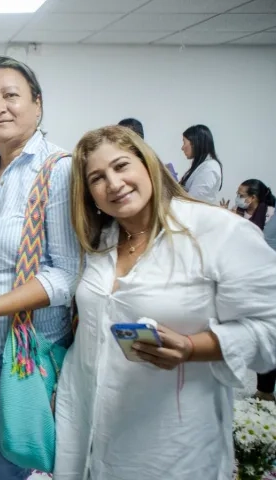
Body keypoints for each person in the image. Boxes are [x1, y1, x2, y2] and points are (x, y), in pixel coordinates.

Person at [55, 125, 276, 479]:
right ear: (89, 195)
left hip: (173, 446)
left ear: (149, 164)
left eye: (122, 165)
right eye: (97, 178)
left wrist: (193, 347)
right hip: (91, 433)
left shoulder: (217, 231)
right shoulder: (99, 243)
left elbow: (270, 330)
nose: (113, 183)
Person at [0, 55, 80, 479]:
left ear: (37, 105)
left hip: (20, 346)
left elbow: (65, 275)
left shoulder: (58, 170)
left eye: (10, 96)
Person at [223, 179, 276, 402]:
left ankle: (265, 390)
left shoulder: (270, 216)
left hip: (267, 280)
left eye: (241, 194)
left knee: (267, 333)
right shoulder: (240, 214)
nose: (238, 198)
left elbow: (265, 244)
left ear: (253, 198)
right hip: (245, 279)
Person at [179, 124, 223, 204]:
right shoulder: (201, 165)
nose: (182, 148)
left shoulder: (210, 168)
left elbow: (193, 200)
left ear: (195, 143)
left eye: (184, 142)